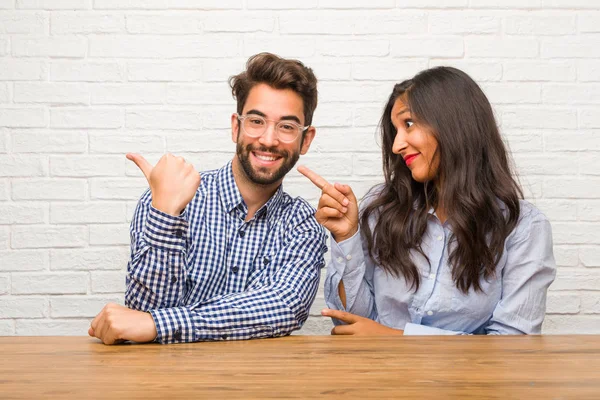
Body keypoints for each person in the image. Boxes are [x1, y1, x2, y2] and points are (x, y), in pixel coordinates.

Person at [89, 52, 327, 344]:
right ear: (236, 127)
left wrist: (161, 325)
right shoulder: (170, 196)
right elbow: (143, 316)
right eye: (256, 121)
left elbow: (283, 306)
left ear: (306, 139)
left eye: (287, 127)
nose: (268, 139)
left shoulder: (303, 223)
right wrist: (165, 214)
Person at [299, 66, 556, 335]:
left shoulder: (524, 227)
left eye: (408, 123)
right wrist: (346, 237)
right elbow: (351, 324)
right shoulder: (382, 208)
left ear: (453, 123)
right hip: (378, 373)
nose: (397, 145)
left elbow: (513, 345)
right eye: (395, 130)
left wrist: (396, 339)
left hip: (471, 379)